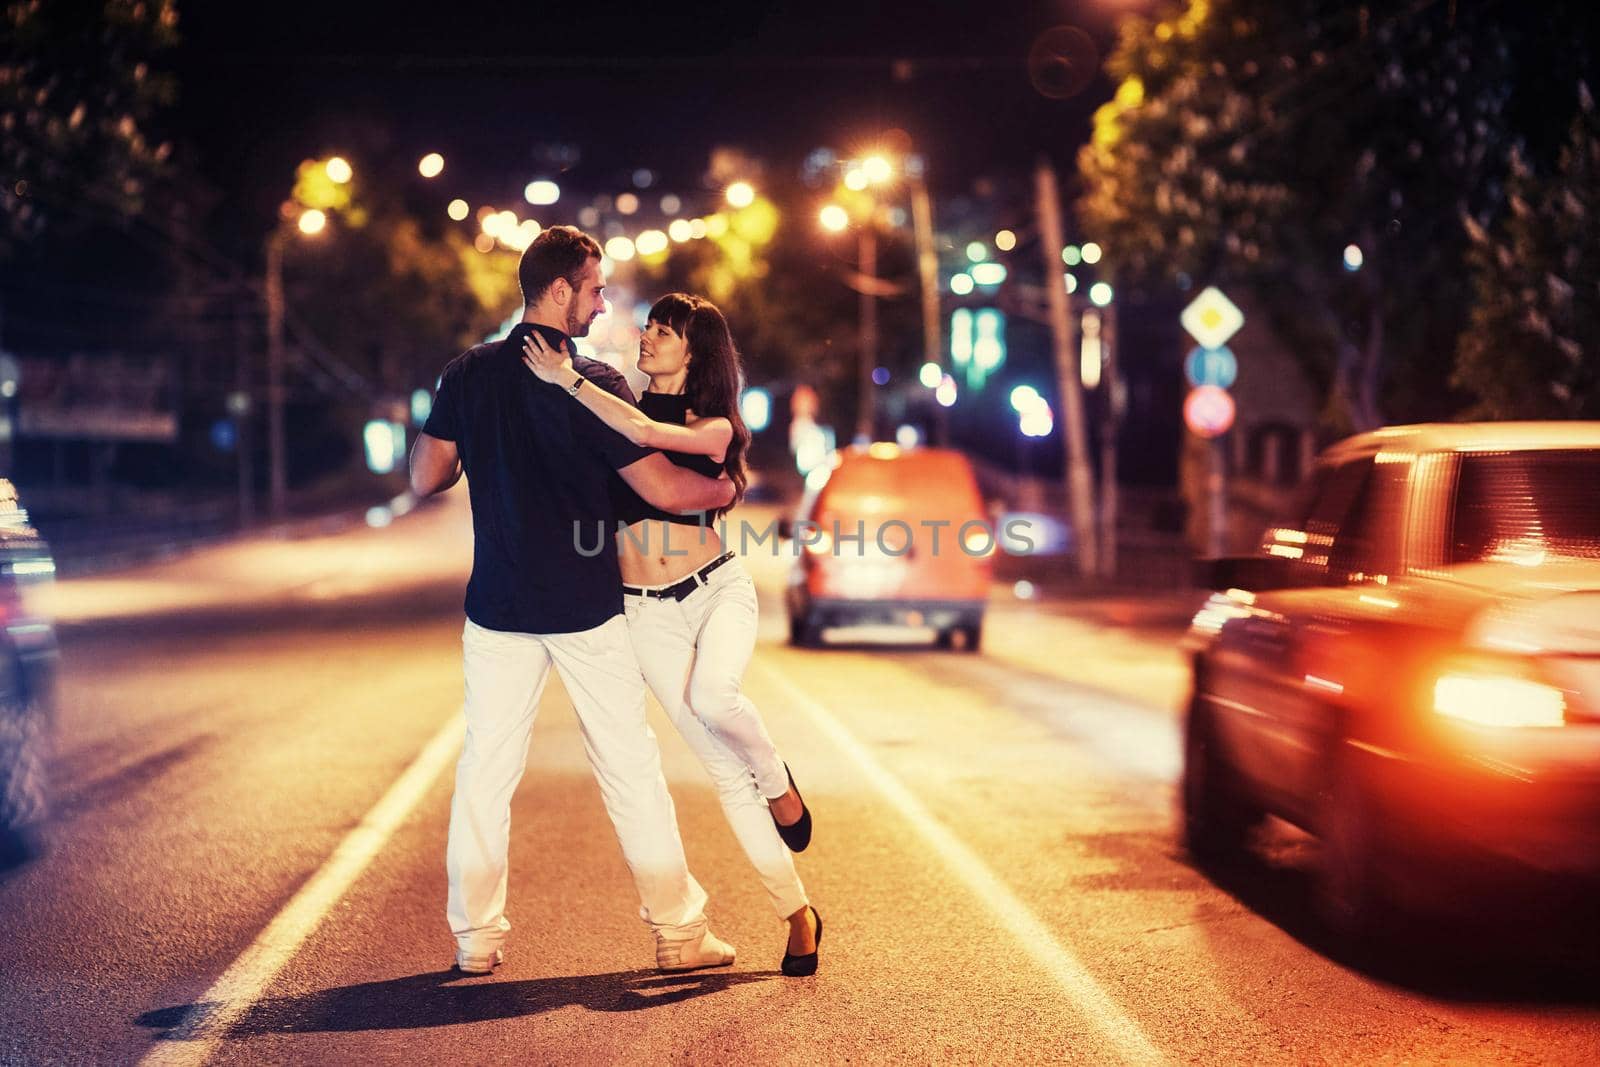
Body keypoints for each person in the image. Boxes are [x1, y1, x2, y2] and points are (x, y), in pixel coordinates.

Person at [410, 228, 740, 977]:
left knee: (484, 772)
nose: (600, 302)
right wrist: (722, 491)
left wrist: (460, 424)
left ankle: (476, 939)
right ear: (560, 289)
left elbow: (424, 477)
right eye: (593, 288)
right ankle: (678, 933)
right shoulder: (594, 382)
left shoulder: (467, 374)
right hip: (588, 609)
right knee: (630, 769)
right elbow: (658, 488)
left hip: (497, 607)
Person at [521, 293, 822, 977]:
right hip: (646, 611)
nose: (649, 337)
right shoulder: (614, 406)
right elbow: (607, 438)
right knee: (721, 771)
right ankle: (797, 913)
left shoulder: (712, 425)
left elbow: (652, 437)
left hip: (716, 590)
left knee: (717, 697)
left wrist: (565, 377)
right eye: (650, 327)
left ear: (696, 351)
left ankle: (778, 781)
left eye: (666, 331)